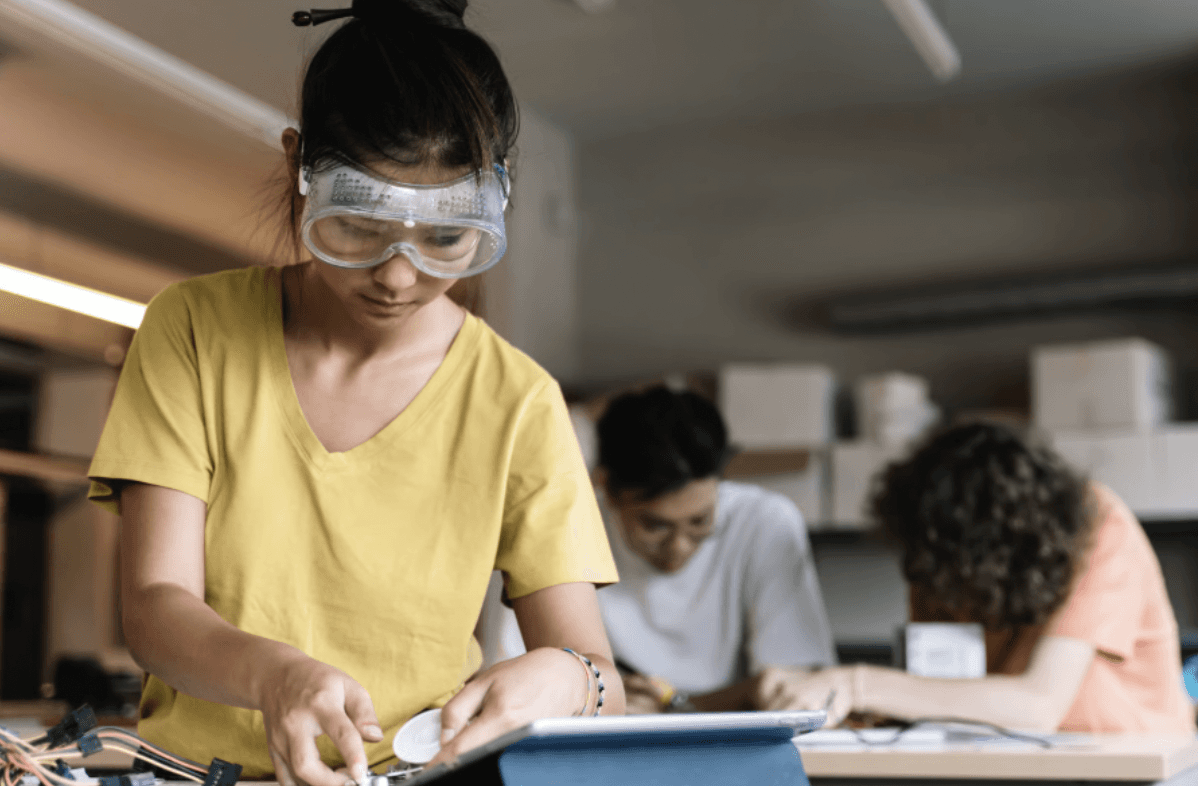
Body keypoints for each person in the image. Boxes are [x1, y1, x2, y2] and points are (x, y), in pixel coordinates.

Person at [86, 3, 624, 785]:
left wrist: (570, 680)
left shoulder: (519, 402)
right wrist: (274, 677)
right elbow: (156, 605)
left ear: (496, 200)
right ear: (299, 168)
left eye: (445, 236)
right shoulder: (194, 329)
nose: (398, 275)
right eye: (358, 227)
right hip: (200, 775)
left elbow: (599, 676)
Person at [755, 422, 1195, 734]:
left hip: (1130, 760)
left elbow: (1039, 704)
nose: (929, 584)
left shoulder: (1096, 523)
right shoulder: (936, 550)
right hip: (1005, 755)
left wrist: (855, 684)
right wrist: (818, 698)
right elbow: (934, 694)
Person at [593, 386, 836, 713]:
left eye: (700, 521)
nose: (679, 546)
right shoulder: (570, 531)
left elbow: (796, 686)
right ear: (608, 491)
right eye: (655, 526)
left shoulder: (763, 522)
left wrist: (675, 710)